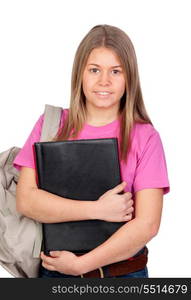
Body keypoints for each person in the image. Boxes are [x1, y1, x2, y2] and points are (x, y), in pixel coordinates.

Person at [13, 24, 170, 278]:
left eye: (115, 71)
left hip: (124, 275)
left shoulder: (145, 137)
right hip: (56, 271)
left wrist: (82, 265)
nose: (104, 81)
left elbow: (147, 224)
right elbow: (27, 200)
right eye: (94, 70)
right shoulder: (52, 124)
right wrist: (96, 209)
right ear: (80, 74)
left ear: (129, 77)